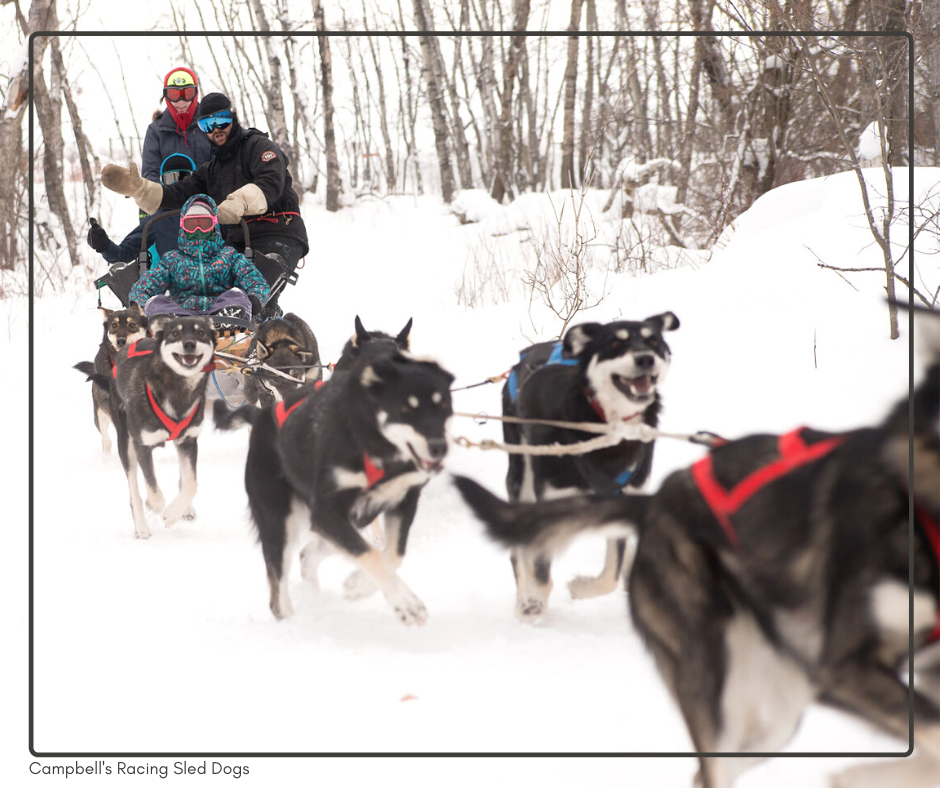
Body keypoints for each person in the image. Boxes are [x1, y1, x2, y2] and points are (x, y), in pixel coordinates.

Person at [101, 92, 308, 318]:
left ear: (233, 118)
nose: (216, 129)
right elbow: (178, 194)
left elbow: (271, 180)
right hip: (240, 236)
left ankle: (268, 327)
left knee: (256, 294)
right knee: (222, 286)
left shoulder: (257, 146)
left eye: (222, 120)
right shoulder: (212, 169)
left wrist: (239, 202)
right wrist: (140, 189)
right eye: (207, 124)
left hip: (278, 228)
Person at [127, 194, 270, 327]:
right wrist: (139, 306)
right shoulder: (172, 260)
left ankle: (229, 318)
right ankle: (168, 321)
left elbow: (256, 282)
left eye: (204, 223)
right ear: (183, 227)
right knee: (157, 301)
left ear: (214, 226)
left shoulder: (229, 256)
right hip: (182, 313)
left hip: (221, 310)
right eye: (191, 225)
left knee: (237, 295)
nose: (198, 229)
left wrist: (255, 299)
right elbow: (144, 287)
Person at [140, 67, 213, 185]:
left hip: (208, 199)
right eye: (174, 95)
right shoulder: (156, 131)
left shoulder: (209, 124)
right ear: (166, 96)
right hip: (171, 199)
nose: (181, 101)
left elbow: (224, 166)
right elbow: (151, 174)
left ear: (195, 94)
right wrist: (155, 197)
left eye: (187, 94)